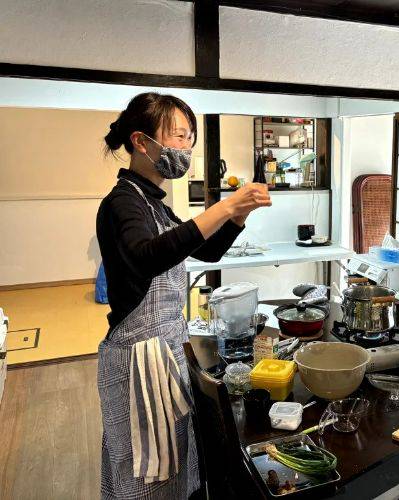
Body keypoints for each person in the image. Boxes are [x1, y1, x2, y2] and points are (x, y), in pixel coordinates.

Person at [96, 92, 271, 498]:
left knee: (174, 465)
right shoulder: (122, 201)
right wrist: (225, 208)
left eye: (190, 138)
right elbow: (146, 257)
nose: (186, 148)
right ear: (141, 141)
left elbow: (204, 249)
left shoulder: (155, 203)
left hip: (166, 351)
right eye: (178, 136)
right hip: (138, 360)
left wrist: (239, 214)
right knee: (145, 472)